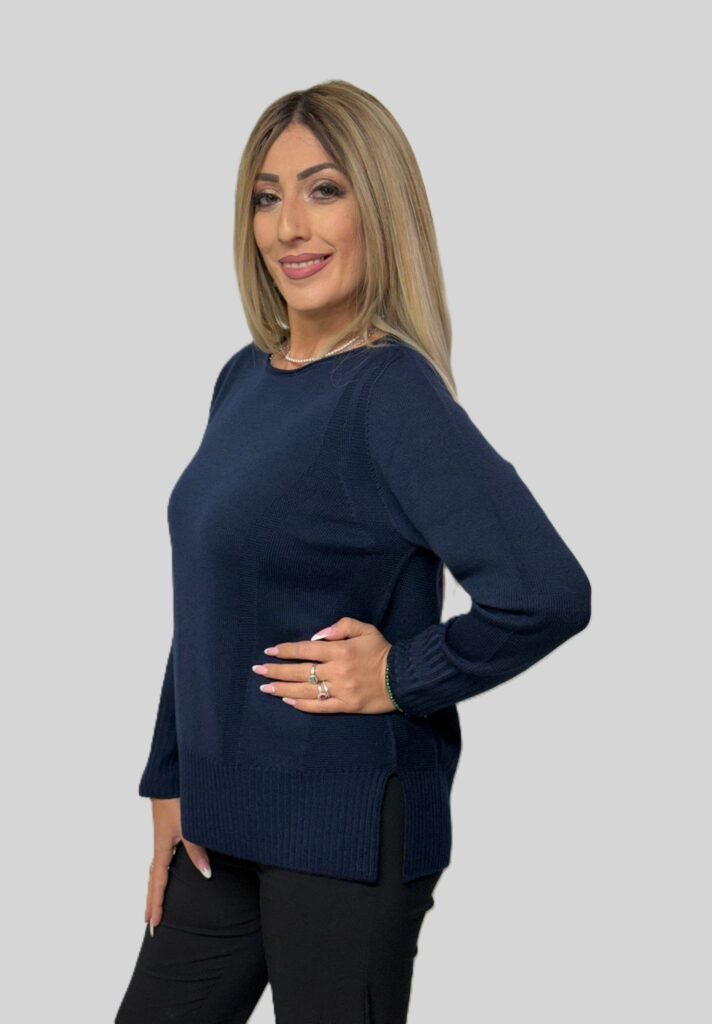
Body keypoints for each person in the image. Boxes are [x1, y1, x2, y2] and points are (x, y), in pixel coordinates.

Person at [115, 79, 591, 1024]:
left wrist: (401, 674)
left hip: (346, 828)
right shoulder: (244, 379)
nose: (289, 225)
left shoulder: (391, 394)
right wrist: (169, 780)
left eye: (324, 189)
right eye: (266, 196)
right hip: (220, 821)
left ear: (379, 206)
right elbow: (208, 600)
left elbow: (546, 591)